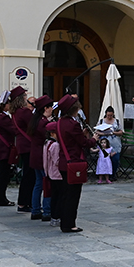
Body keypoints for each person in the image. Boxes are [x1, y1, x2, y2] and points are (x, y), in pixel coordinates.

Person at [54, 94, 95, 232]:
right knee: (73, 196)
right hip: (73, 163)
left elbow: (71, 139)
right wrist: (94, 138)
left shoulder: (60, 122)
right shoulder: (73, 124)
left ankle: (63, 221)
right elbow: (84, 143)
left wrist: (81, 134)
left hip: (63, 162)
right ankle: (69, 224)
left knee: (65, 193)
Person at [0, 90, 20, 206]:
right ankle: (1, 198)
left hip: (2, 148)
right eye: (7, 103)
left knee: (3, 174)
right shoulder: (3, 118)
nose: (9, 105)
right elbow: (13, 130)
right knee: (3, 175)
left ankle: (1, 197)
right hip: (4, 149)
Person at [43, 122, 60, 227]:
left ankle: (53, 216)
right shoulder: (55, 145)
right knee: (57, 197)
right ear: (53, 133)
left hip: (49, 173)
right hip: (57, 174)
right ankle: (56, 217)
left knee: (53, 196)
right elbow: (57, 160)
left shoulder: (46, 144)